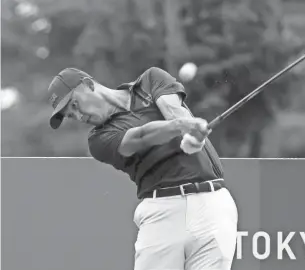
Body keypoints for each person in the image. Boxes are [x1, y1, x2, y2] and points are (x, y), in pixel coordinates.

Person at [47, 67, 238, 270]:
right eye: (71, 115)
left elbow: (173, 110)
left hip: (213, 206)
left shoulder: (150, 80)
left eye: (75, 104)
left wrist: (186, 127)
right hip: (163, 213)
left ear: (89, 84)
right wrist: (182, 126)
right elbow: (141, 137)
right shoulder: (98, 140)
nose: (79, 116)